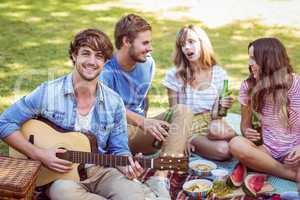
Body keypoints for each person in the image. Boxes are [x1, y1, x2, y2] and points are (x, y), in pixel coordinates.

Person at [0, 29, 145, 200]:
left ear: (105, 62)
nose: (92, 61)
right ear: (74, 56)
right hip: (61, 178)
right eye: (86, 53)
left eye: (98, 56)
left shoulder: (114, 102)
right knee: (64, 193)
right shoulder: (49, 92)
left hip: (100, 171)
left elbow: (118, 149)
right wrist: (38, 154)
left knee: (135, 195)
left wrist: (128, 166)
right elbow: (5, 123)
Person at [100, 14, 193, 199]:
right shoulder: (104, 71)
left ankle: (159, 178)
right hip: (112, 137)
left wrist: (151, 123)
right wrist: (143, 122)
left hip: (138, 134)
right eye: (145, 43)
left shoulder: (147, 63)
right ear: (126, 41)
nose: (149, 48)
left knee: (183, 111)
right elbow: (107, 109)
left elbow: (143, 98)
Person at [229, 37, 300, 189]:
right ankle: (290, 174)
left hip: (295, 151)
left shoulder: (297, 86)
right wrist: (247, 132)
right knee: (236, 144)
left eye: (253, 59)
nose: (250, 64)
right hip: (267, 150)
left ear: (269, 61)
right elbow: (244, 126)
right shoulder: (249, 86)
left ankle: (267, 168)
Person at [163, 24, 235, 161]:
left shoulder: (219, 73)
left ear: (202, 43)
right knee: (224, 150)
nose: (187, 48)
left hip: (213, 123)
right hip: (189, 127)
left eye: (191, 42)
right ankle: (194, 142)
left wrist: (221, 105)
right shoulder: (175, 75)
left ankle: (242, 142)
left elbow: (217, 115)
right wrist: (180, 139)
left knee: (217, 130)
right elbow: (174, 111)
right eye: (182, 45)